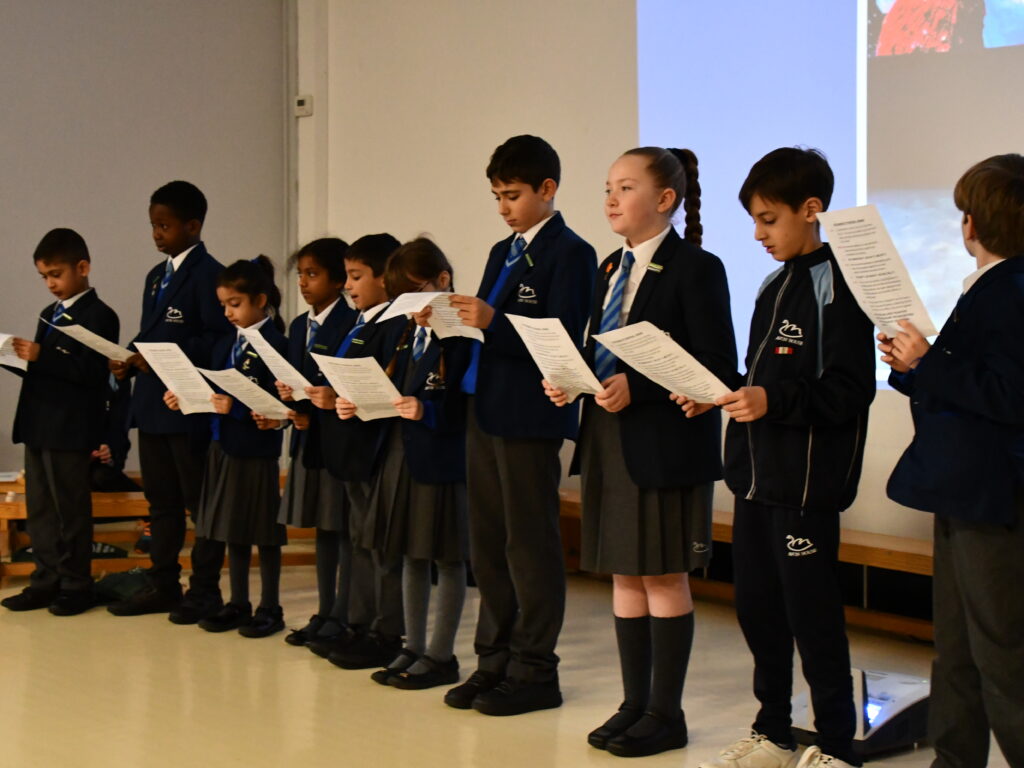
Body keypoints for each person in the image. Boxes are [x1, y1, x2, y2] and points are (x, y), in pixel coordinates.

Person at [545, 147, 735, 756]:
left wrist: (642, 386)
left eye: (625, 187)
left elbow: (715, 365)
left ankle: (666, 712)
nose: (609, 198)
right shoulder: (607, 267)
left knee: (663, 573)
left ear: (664, 200)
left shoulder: (697, 268)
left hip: (664, 443)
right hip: (609, 437)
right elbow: (599, 348)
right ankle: (634, 703)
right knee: (625, 573)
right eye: (606, 187)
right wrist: (569, 377)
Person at [694, 147, 875, 768]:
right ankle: (771, 729)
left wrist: (772, 399)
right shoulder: (774, 285)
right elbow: (758, 376)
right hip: (753, 481)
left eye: (769, 219)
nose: (758, 234)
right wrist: (722, 396)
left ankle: (834, 745)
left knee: (812, 617)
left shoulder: (841, 284)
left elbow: (849, 390)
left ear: (811, 209)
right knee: (759, 613)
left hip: (806, 488)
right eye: (753, 220)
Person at [438, 135, 596, 716]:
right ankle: (494, 661)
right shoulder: (501, 250)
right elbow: (485, 327)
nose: (504, 207)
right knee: (489, 543)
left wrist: (493, 320)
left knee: (529, 543)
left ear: (547, 190)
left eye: (513, 195)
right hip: (485, 407)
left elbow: (563, 337)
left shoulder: (571, 253)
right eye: (497, 196)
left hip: (530, 414)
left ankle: (536, 669)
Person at [881, 154, 1024, 768]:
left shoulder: (1010, 289)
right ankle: (954, 757)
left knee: (1001, 652)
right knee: (959, 646)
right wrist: (916, 366)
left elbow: (1009, 396)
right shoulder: (993, 287)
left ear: (973, 223)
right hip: (965, 490)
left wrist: (928, 363)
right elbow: (971, 384)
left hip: (992, 495)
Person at [107, 180, 233, 620]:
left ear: (193, 226)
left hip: (188, 405)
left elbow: (219, 339)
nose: (156, 233)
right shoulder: (155, 276)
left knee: (199, 503)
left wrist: (163, 356)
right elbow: (153, 332)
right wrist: (130, 356)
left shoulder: (210, 275)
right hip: (153, 404)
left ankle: (204, 590)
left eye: (164, 225)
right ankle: (163, 583)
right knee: (160, 504)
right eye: (153, 225)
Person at [163, 257, 290, 638]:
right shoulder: (225, 346)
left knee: (264, 532)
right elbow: (215, 392)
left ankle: (270, 606)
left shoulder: (278, 344)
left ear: (260, 300)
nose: (228, 312)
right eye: (223, 305)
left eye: (235, 304)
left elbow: (279, 402)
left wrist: (235, 407)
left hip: (256, 449)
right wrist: (187, 398)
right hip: (223, 446)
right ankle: (238, 602)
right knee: (232, 528)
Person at [366, 238, 472, 690]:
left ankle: (441, 655)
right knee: (410, 552)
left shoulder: (464, 336)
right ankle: (414, 645)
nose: (411, 311)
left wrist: (427, 411)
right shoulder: (411, 333)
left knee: (447, 560)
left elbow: (467, 407)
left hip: (445, 461)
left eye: (417, 297)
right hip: (406, 456)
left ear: (443, 282)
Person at [1, 228, 119, 616]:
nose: (51, 283)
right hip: (39, 423)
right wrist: (19, 360)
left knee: (70, 510)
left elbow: (90, 373)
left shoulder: (100, 315)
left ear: (82, 268)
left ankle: (76, 584)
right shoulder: (49, 313)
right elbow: (50, 369)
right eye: (45, 277)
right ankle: (45, 580)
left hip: (70, 427)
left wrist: (42, 357)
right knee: (41, 510)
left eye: (56, 274)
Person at [304, 233, 408, 669]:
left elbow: (391, 389)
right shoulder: (360, 322)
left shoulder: (393, 325)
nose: (348, 286)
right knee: (360, 542)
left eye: (356, 276)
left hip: (377, 448)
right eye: (346, 276)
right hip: (349, 448)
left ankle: (386, 630)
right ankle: (359, 622)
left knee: (380, 545)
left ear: (385, 278)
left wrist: (347, 396)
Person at [272, 237, 357, 647]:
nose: (304, 283)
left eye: (313, 274)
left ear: (339, 279)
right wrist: (289, 398)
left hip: (339, 439)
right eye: (300, 275)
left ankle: (345, 612)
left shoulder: (350, 321)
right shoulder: (299, 324)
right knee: (324, 529)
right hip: (309, 436)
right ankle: (325, 610)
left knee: (343, 528)